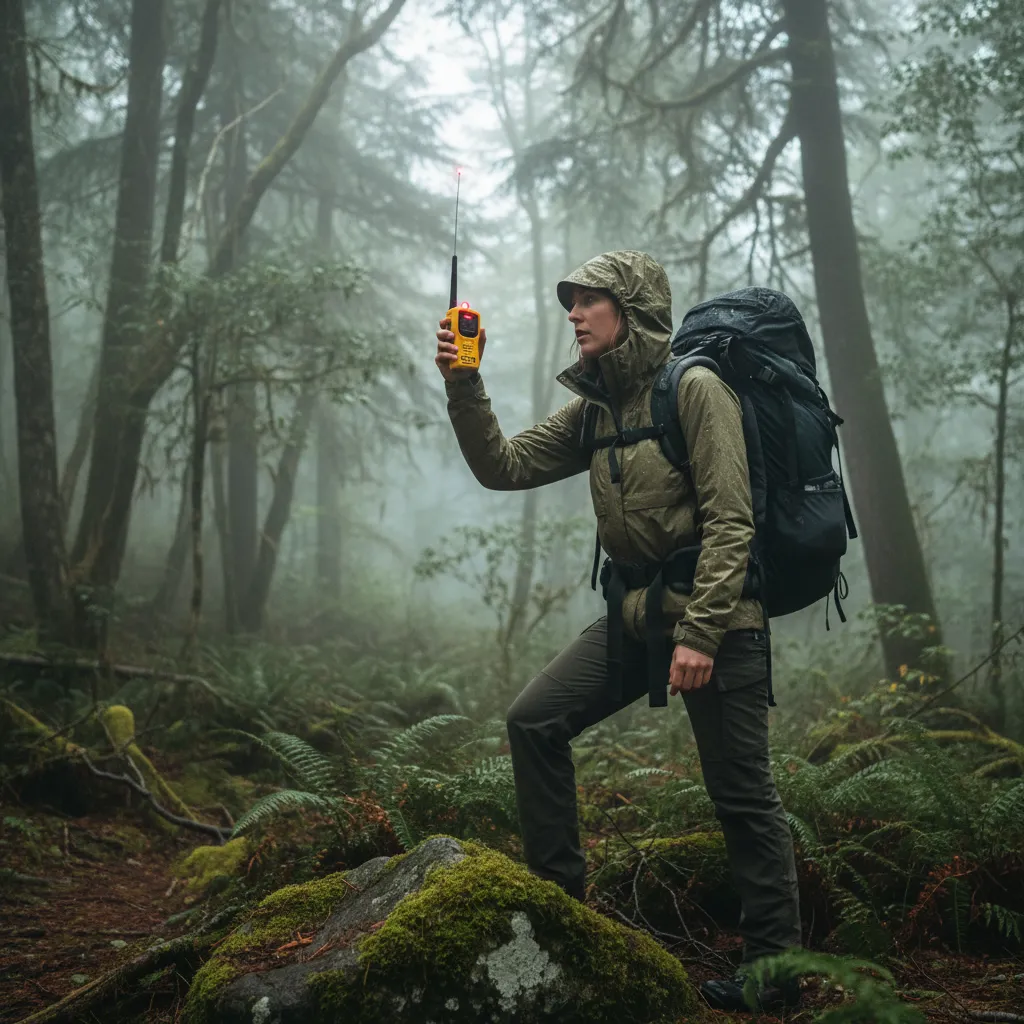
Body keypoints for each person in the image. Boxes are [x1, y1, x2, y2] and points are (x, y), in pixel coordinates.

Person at [434, 250, 801, 1012]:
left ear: (629, 309)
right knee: (534, 719)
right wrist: (464, 383)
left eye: (588, 302)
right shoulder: (596, 408)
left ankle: (772, 979)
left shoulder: (695, 390)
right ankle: (560, 913)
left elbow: (734, 520)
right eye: (570, 303)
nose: (573, 314)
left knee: (741, 795)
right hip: (635, 619)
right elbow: (502, 467)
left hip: (717, 621)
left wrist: (700, 634)